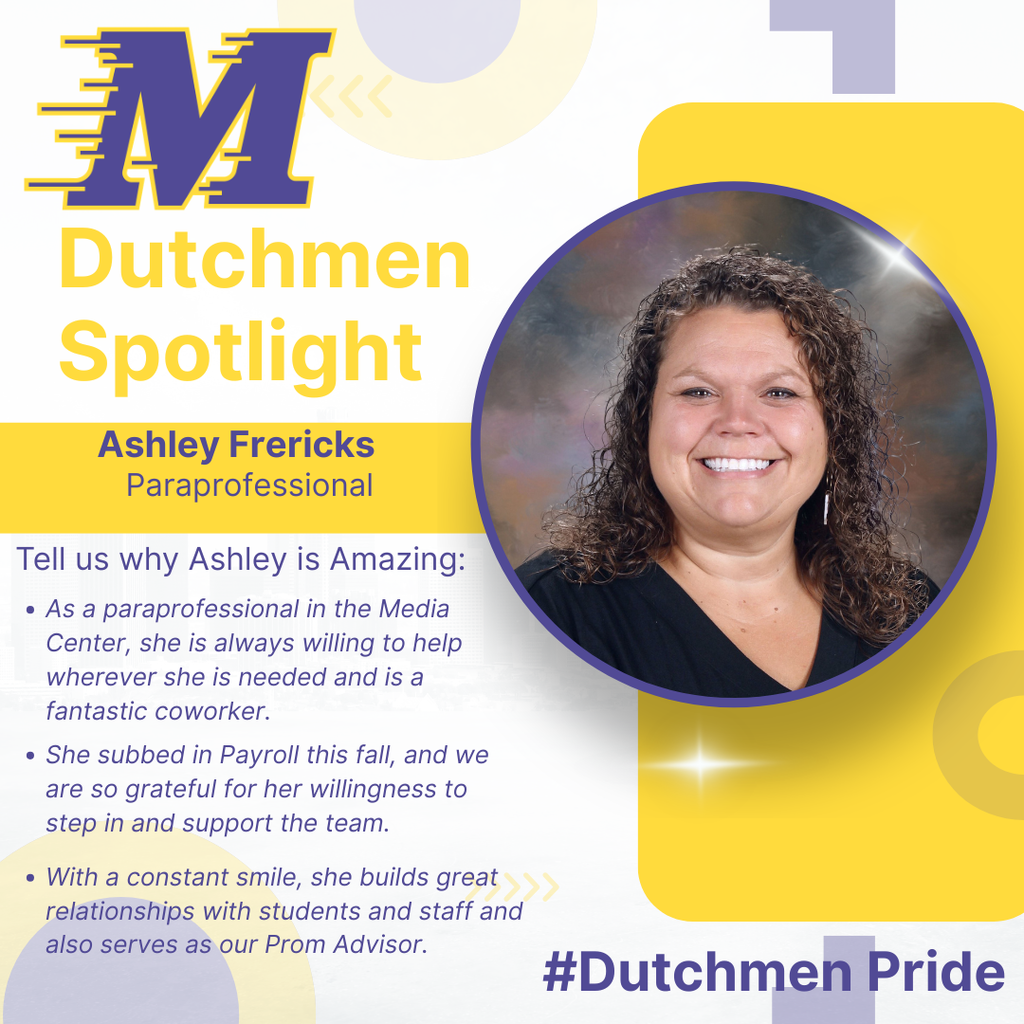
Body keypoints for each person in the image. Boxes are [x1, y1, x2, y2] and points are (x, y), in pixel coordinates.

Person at [516, 251, 936, 698]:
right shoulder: (547, 613)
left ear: (834, 427)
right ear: (645, 420)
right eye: (698, 391)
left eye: (779, 391)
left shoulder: (909, 610)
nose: (737, 421)